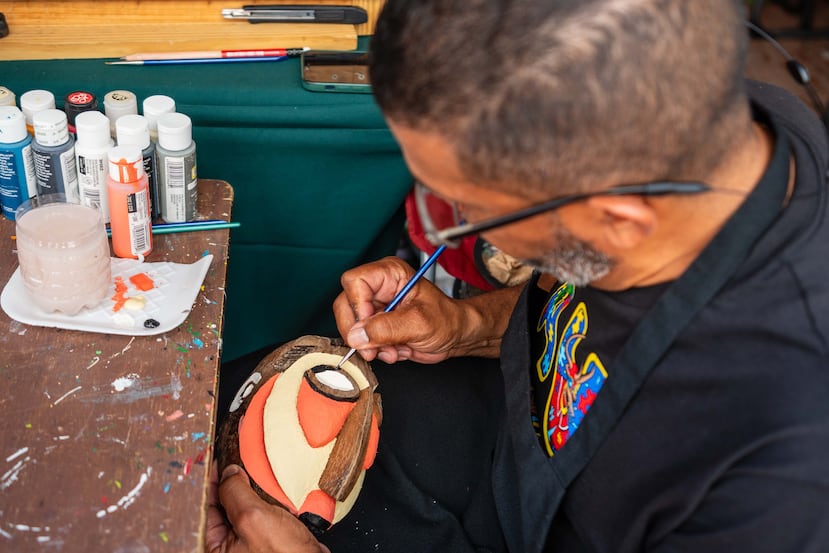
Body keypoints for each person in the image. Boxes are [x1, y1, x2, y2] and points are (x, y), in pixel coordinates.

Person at [207, 0, 829, 551]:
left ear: (616, 220)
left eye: (465, 210)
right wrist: (467, 323)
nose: (448, 226)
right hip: (493, 423)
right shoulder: (717, 132)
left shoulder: (778, 476)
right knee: (212, 423)